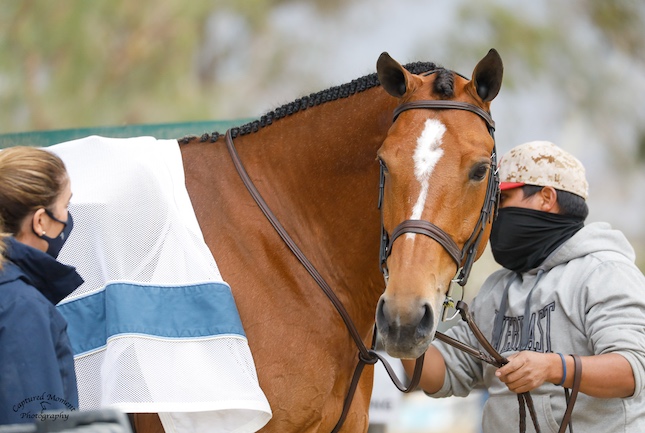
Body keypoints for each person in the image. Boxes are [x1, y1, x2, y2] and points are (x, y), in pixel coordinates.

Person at [402, 140, 645, 432]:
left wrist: (555, 367)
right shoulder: (497, 289)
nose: (493, 215)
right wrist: (403, 326)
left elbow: (632, 370)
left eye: (502, 201)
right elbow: (440, 375)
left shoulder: (604, 272)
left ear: (546, 197)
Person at [0, 146, 83, 424]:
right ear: (40, 221)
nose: (67, 217)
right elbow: (33, 421)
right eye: (66, 206)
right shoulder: (20, 306)